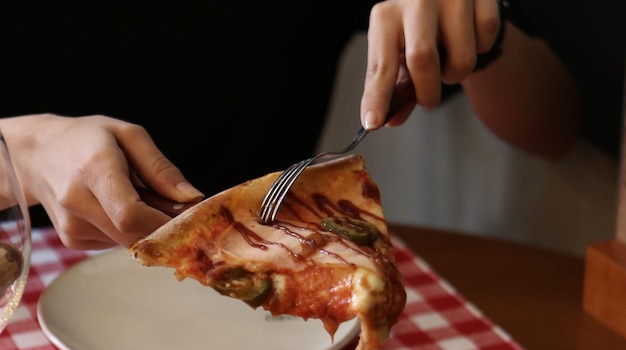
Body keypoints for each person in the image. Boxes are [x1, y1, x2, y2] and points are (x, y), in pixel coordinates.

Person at [2, 0, 623, 250]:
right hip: (21, 279)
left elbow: (551, 126)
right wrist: (23, 152)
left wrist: (477, 37)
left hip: (276, 305)